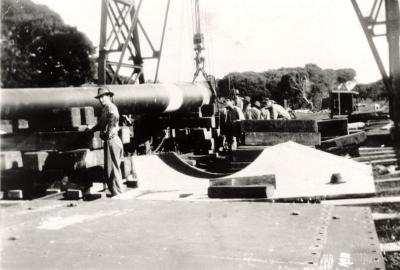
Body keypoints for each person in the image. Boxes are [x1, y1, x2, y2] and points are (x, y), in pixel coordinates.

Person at [93, 86, 124, 197]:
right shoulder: (105, 109)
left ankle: (119, 193)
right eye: (100, 98)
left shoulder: (111, 107)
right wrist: (91, 130)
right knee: (109, 169)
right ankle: (115, 192)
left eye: (103, 97)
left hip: (112, 140)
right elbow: (101, 123)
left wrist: (108, 132)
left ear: (109, 97)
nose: (101, 100)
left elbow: (114, 117)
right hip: (110, 141)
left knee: (114, 168)